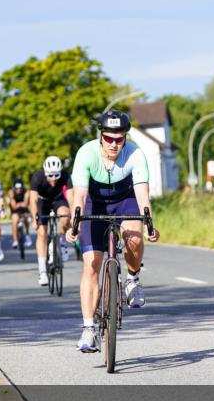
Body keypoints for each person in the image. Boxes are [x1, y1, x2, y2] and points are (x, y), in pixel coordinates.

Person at [66, 110, 160, 352]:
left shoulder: (135, 153)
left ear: (125, 138)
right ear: (101, 137)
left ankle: (133, 279)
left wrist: (149, 222)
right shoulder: (86, 153)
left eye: (119, 139)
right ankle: (88, 330)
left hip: (124, 199)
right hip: (93, 203)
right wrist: (74, 223)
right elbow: (80, 194)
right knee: (91, 264)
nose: (114, 144)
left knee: (135, 238)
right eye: (109, 139)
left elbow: (142, 193)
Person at [30, 156, 74, 286]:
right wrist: (35, 218)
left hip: (58, 199)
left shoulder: (66, 176)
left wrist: (73, 217)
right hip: (42, 201)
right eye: (51, 176)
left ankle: (62, 243)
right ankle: (42, 271)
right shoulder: (37, 177)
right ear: (45, 173)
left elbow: (71, 198)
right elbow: (33, 200)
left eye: (56, 175)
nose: (54, 179)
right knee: (42, 232)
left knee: (65, 216)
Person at [8, 177, 32, 250]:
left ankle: (27, 235)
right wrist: (20, 204)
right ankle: (15, 240)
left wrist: (21, 204)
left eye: (20, 188)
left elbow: (25, 204)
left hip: (24, 209)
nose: (18, 190)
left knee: (26, 218)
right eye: (17, 189)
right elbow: (13, 206)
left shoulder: (26, 192)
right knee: (14, 221)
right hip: (15, 210)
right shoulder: (11, 192)